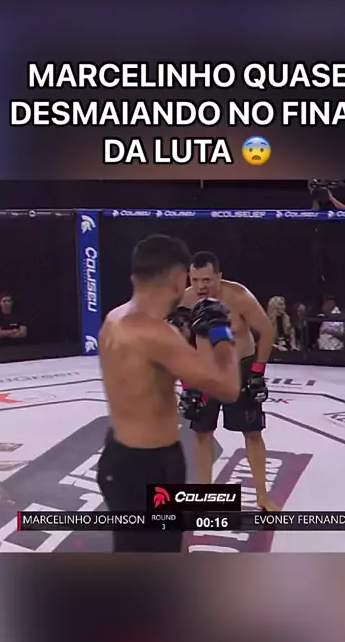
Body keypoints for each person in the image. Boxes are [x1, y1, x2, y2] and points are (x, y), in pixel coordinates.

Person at [96, 235, 240, 553]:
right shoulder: (156, 334)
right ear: (178, 278)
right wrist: (221, 332)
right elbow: (228, 387)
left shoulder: (115, 318)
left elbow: (150, 375)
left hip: (120, 456)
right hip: (147, 467)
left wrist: (183, 335)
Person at [181, 251, 276, 511]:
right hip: (205, 373)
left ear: (219, 277)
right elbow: (178, 342)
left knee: (253, 433)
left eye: (207, 280)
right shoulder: (185, 300)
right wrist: (187, 386)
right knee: (202, 433)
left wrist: (257, 372)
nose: (201, 286)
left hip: (239, 370)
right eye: (195, 279)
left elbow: (266, 331)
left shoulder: (238, 296)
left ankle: (262, 497)